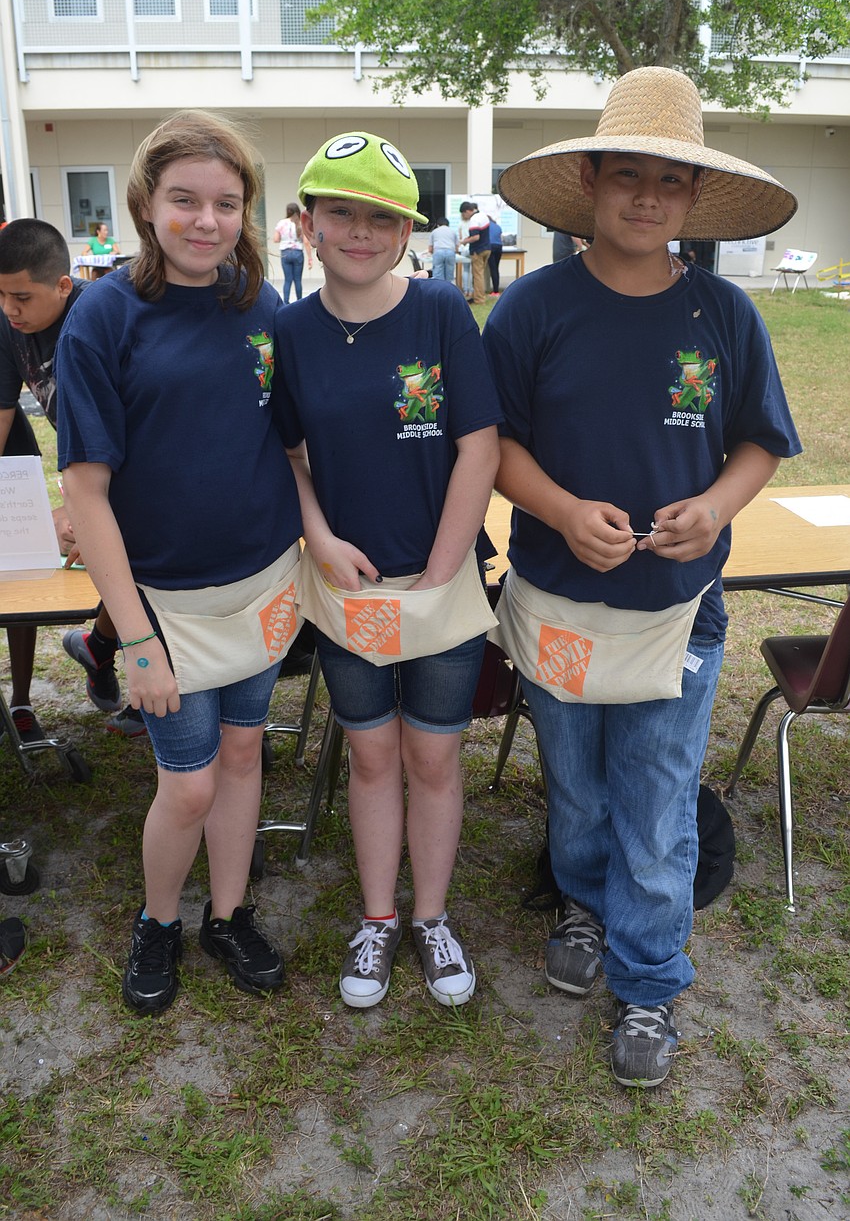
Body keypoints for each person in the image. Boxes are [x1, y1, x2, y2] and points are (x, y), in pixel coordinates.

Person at [482, 67, 801, 1088]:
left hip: (679, 612)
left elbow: (758, 441)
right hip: (558, 605)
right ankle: (580, 898)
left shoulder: (724, 315)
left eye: (670, 179)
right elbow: (493, 446)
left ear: (694, 197)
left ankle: (651, 977)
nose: (647, 197)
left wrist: (715, 504)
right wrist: (563, 510)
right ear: (590, 180)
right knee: (575, 791)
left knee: (656, 798)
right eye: (628, 175)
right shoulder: (530, 309)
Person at [55, 109, 304, 1015]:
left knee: (243, 757)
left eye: (227, 203)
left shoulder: (262, 306)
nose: (207, 221)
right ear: (146, 204)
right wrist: (135, 638)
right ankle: (160, 920)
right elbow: (87, 491)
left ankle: (227, 914)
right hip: (163, 602)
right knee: (188, 781)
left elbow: (288, 449)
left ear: (248, 210)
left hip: (264, 585)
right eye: (185, 200)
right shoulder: (102, 316)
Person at [274, 131, 502, 1011]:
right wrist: (321, 539)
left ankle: (432, 916)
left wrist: (442, 575)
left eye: (382, 218)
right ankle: (377, 917)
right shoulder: (290, 331)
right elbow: (289, 454)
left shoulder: (443, 312)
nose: (361, 233)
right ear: (308, 224)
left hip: (438, 584)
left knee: (433, 760)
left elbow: (479, 449)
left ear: (407, 230)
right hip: (349, 591)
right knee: (372, 758)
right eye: (343, 213)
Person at [0, 220, 146, 741]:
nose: (9, 308)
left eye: (20, 296)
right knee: (112, 559)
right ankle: (104, 652)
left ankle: (124, 669)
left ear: (64, 286)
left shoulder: (99, 313)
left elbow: (133, 418)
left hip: (138, 461)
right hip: (88, 468)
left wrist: (86, 508)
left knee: (149, 559)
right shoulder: (7, 324)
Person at [273, 201, 312, 302]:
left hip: (285, 253)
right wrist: (310, 258)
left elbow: (276, 239)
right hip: (298, 252)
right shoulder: (300, 223)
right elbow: (306, 242)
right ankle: (300, 301)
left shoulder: (281, 223)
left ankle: (285, 302)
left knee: (287, 280)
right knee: (298, 280)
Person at [458, 201, 491, 305]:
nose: (464, 216)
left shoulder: (474, 219)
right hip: (487, 248)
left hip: (478, 250)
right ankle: (476, 295)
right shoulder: (483, 216)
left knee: (477, 275)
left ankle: (479, 299)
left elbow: (476, 237)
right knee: (480, 274)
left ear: (468, 211)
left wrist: (463, 241)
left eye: (463, 214)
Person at [428, 215, 458, 283]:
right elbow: (457, 246)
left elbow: (430, 248)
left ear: (438, 225)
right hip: (450, 252)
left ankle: (439, 290)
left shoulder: (434, 231)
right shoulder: (453, 231)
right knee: (450, 274)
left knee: (438, 274)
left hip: (438, 252)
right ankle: (449, 290)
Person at [486, 215, 503, 295]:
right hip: (499, 247)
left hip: (490, 247)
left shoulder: (486, 226)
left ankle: (495, 290)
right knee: (496, 268)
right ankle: (496, 289)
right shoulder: (498, 226)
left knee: (492, 269)